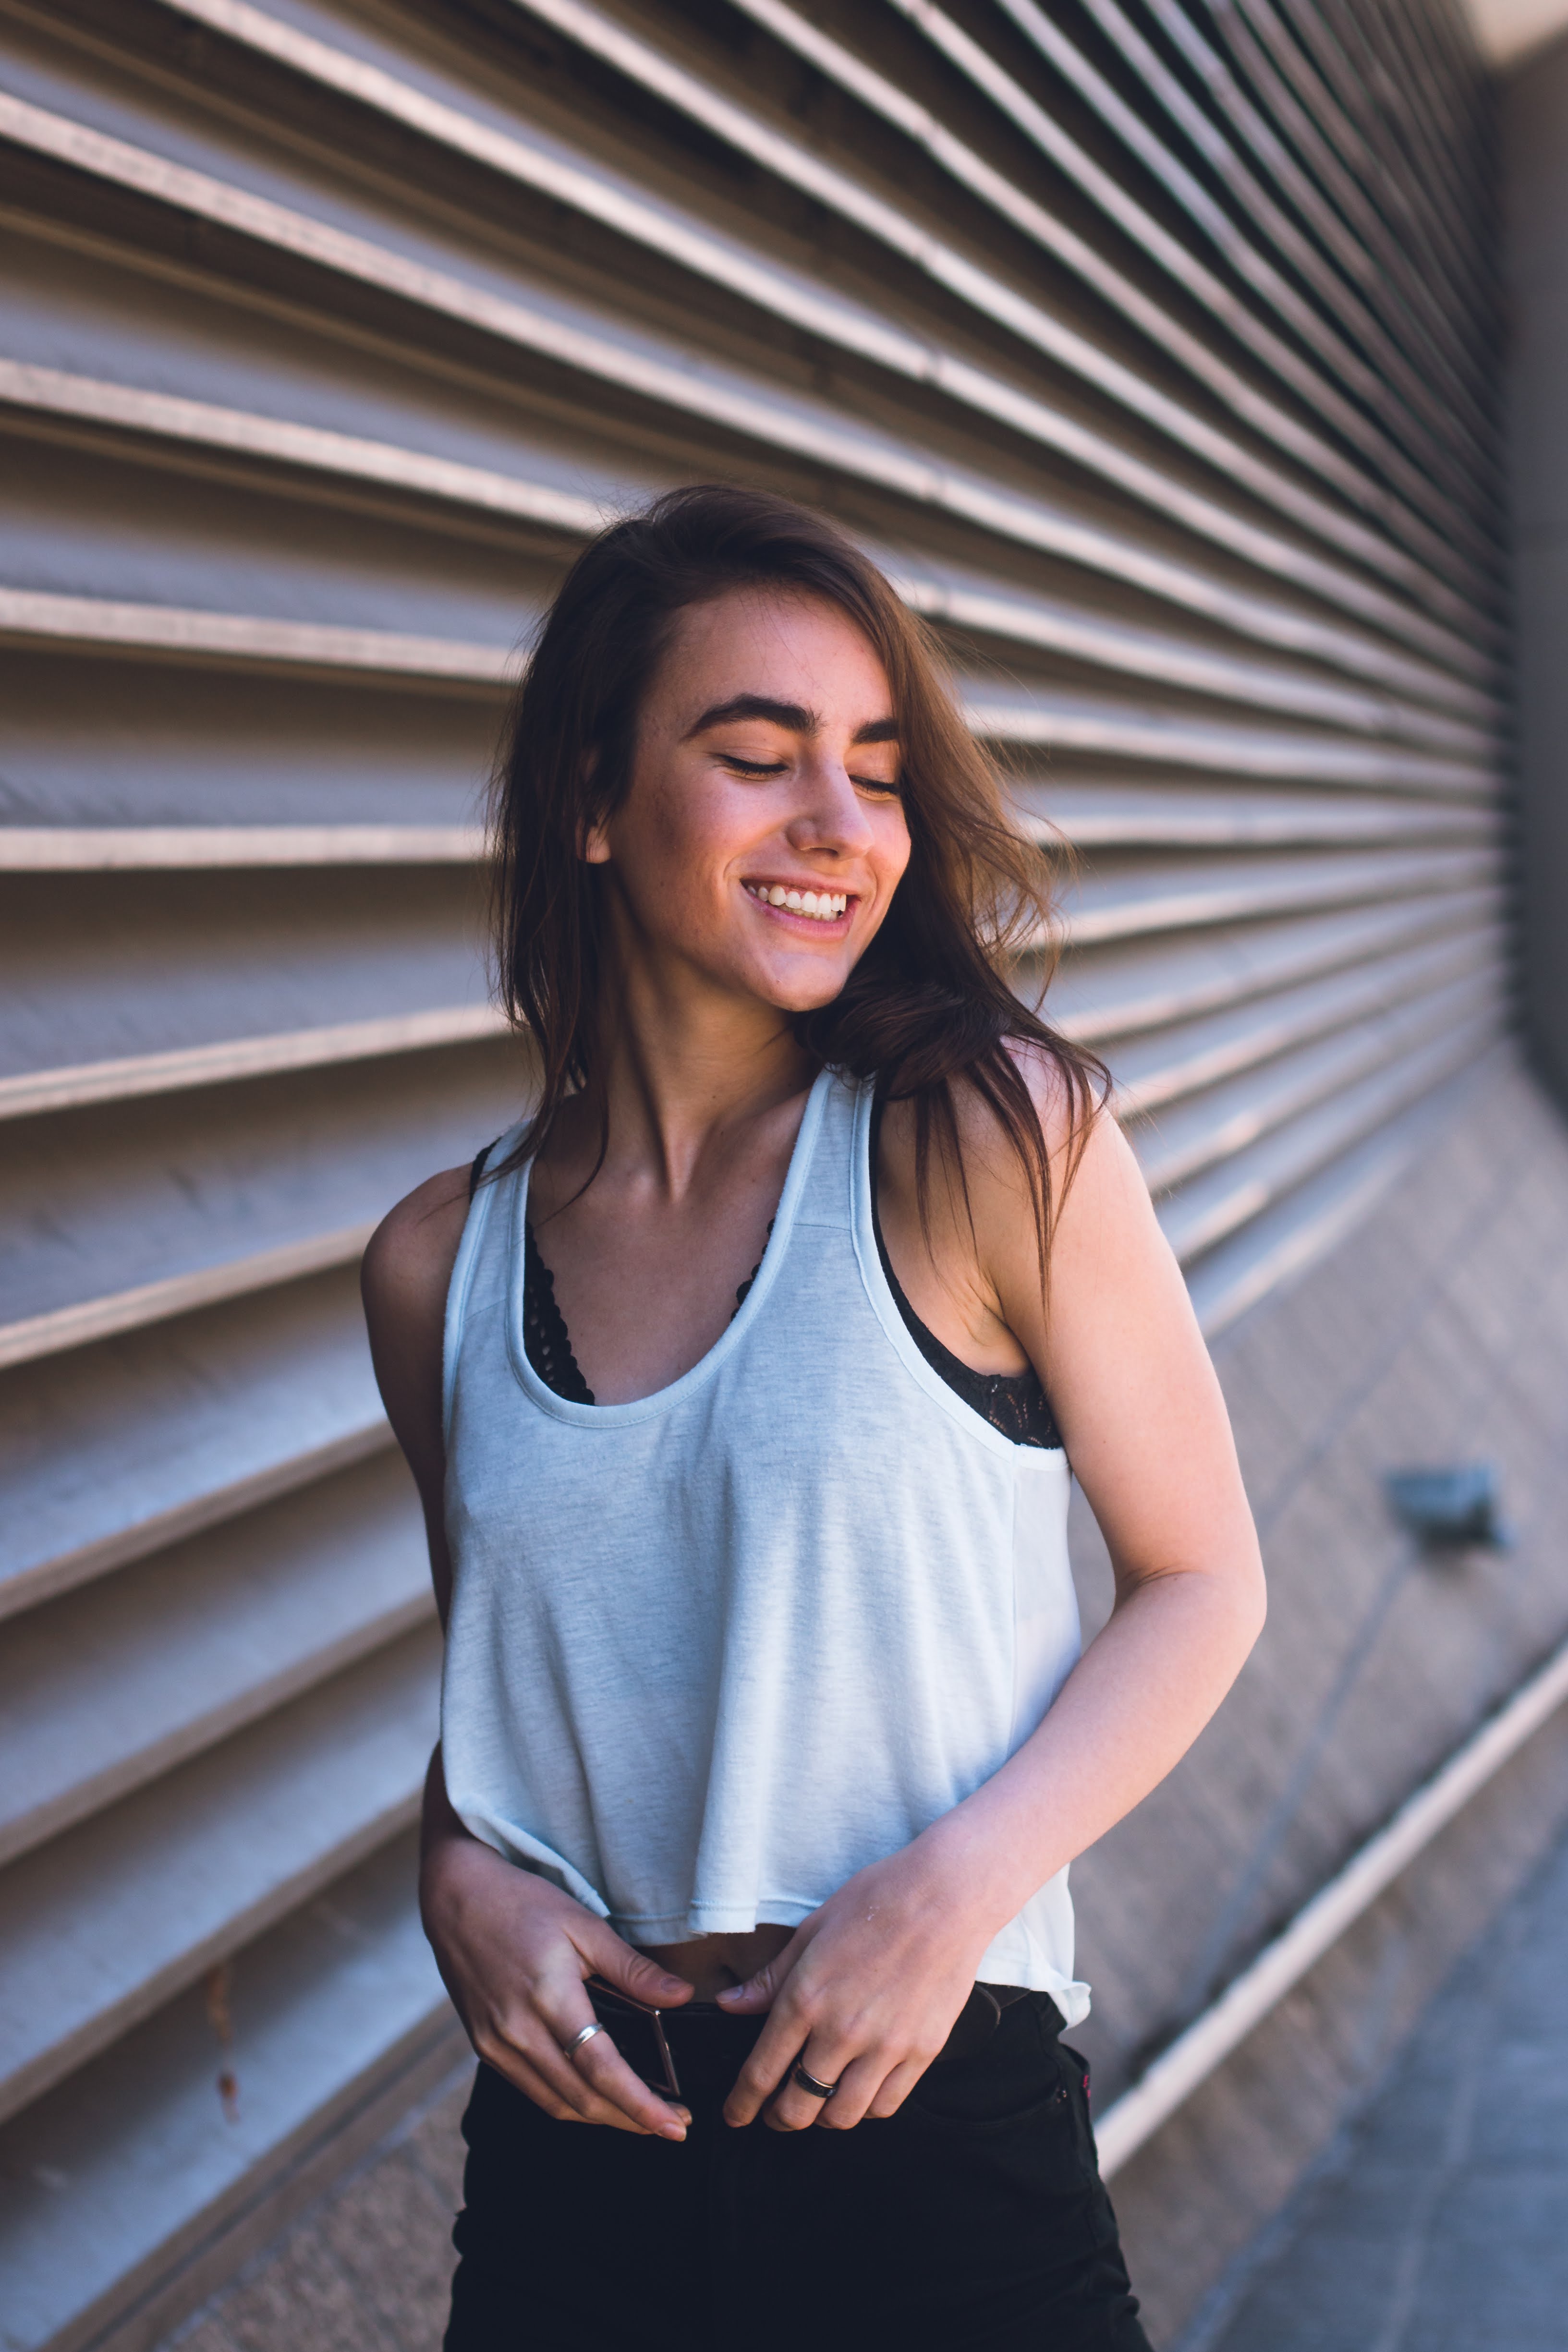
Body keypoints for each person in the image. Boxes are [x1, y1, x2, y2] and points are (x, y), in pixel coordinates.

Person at [361, 485, 1265, 2350]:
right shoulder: (438, 1266)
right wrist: (454, 1879)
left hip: (933, 2125)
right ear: (597, 803)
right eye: (759, 756)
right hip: (573, 2162)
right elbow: (518, 1711)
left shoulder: (992, 1140)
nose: (838, 828)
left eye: (872, 766)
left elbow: (1201, 1579)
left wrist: (954, 1894)